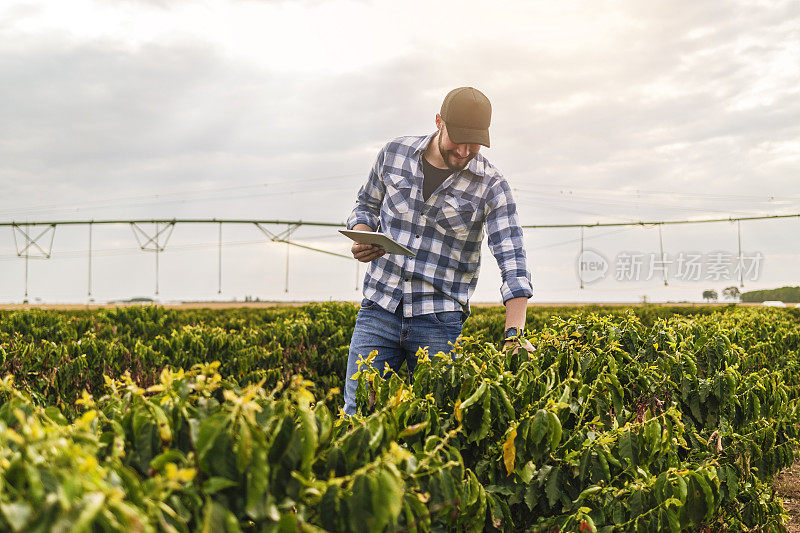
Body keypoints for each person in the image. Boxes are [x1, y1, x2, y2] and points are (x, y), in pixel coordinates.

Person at [343, 87, 533, 415]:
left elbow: (512, 256)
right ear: (438, 121)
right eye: (457, 138)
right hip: (379, 307)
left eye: (474, 142)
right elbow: (366, 204)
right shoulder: (394, 153)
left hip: (439, 320)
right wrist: (362, 236)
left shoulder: (491, 185)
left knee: (437, 420)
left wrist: (514, 332)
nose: (463, 150)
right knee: (358, 415)